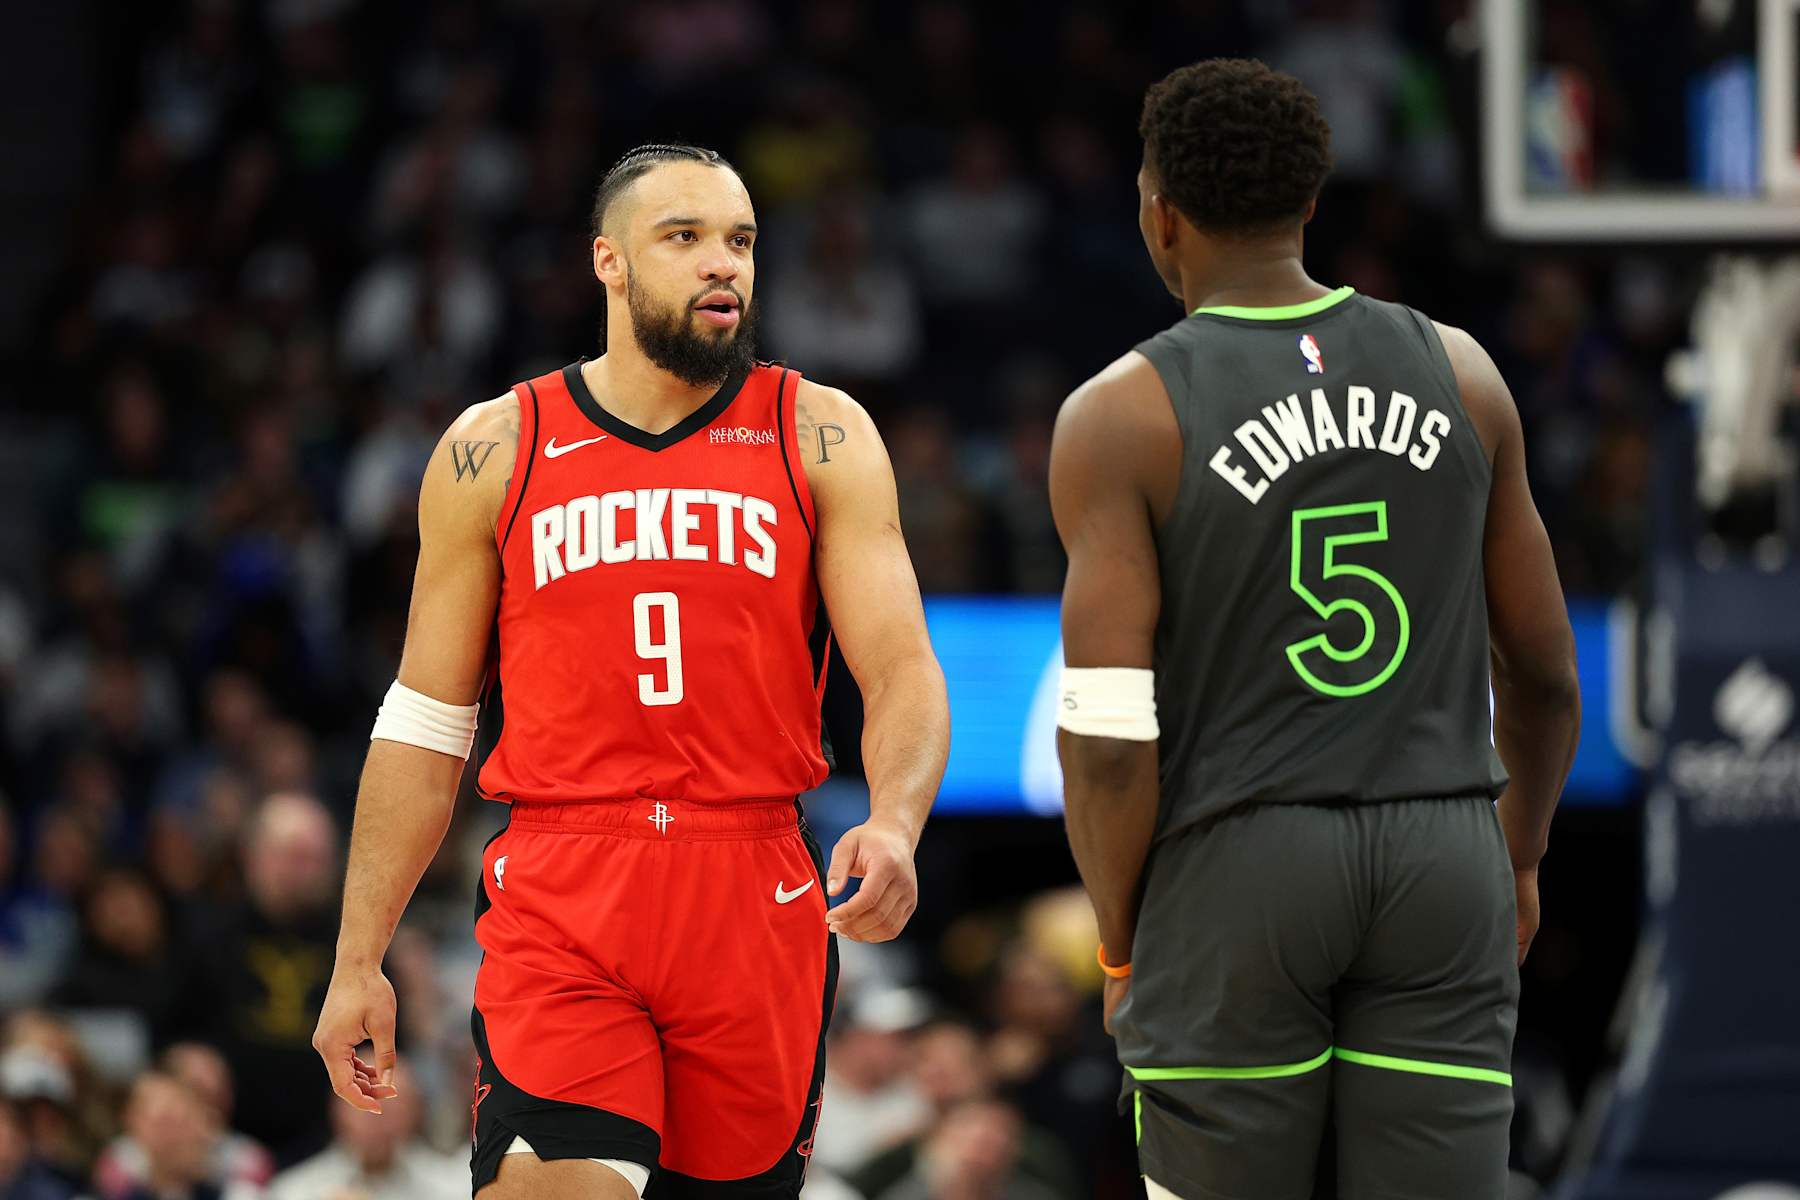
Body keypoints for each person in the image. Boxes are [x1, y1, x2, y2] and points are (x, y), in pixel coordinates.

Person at [313, 142, 949, 1200]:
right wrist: (356, 955)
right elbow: (426, 723)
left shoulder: (822, 431)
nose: (723, 265)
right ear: (607, 262)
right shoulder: (496, 448)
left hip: (751, 883)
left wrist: (894, 821)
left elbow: (902, 672)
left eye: (740, 241)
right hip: (567, 885)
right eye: (685, 237)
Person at [1051, 59, 1581, 1200]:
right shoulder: (1464, 371)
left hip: (1238, 860)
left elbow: (1104, 732)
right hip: (1442, 847)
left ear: (1160, 214)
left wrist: (1118, 939)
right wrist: (1522, 852)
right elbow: (1541, 673)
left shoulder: (1120, 414)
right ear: (1311, 202)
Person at [265, 1062, 463, 1200]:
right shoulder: (293, 1191)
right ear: (337, 1110)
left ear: (416, 1112)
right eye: (363, 1106)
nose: (379, 1118)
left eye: (394, 1107)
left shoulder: (453, 1188)